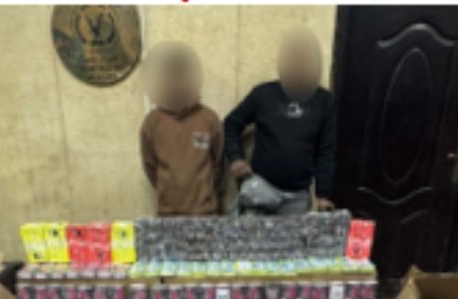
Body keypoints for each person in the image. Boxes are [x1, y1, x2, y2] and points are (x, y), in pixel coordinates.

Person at [224, 26, 337, 215]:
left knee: (293, 237)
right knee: (250, 235)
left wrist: (323, 195)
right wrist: (236, 157)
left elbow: (327, 152)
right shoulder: (263, 94)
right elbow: (231, 124)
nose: (299, 65)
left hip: (298, 197)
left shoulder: (325, 102)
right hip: (260, 188)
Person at [140, 41, 224, 216]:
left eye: (180, 75)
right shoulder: (152, 122)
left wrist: (205, 196)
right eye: (170, 76)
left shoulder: (208, 118)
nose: (175, 81)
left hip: (205, 214)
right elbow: (150, 166)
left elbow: (218, 163)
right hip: (168, 215)